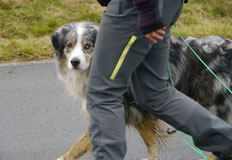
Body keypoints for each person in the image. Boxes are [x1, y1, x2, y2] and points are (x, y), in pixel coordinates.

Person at [86, 0, 232, 159]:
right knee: (154, 93)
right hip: (158, 6)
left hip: (136, 8)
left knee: (104, 93)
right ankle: (227, 144)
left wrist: (146, 10)